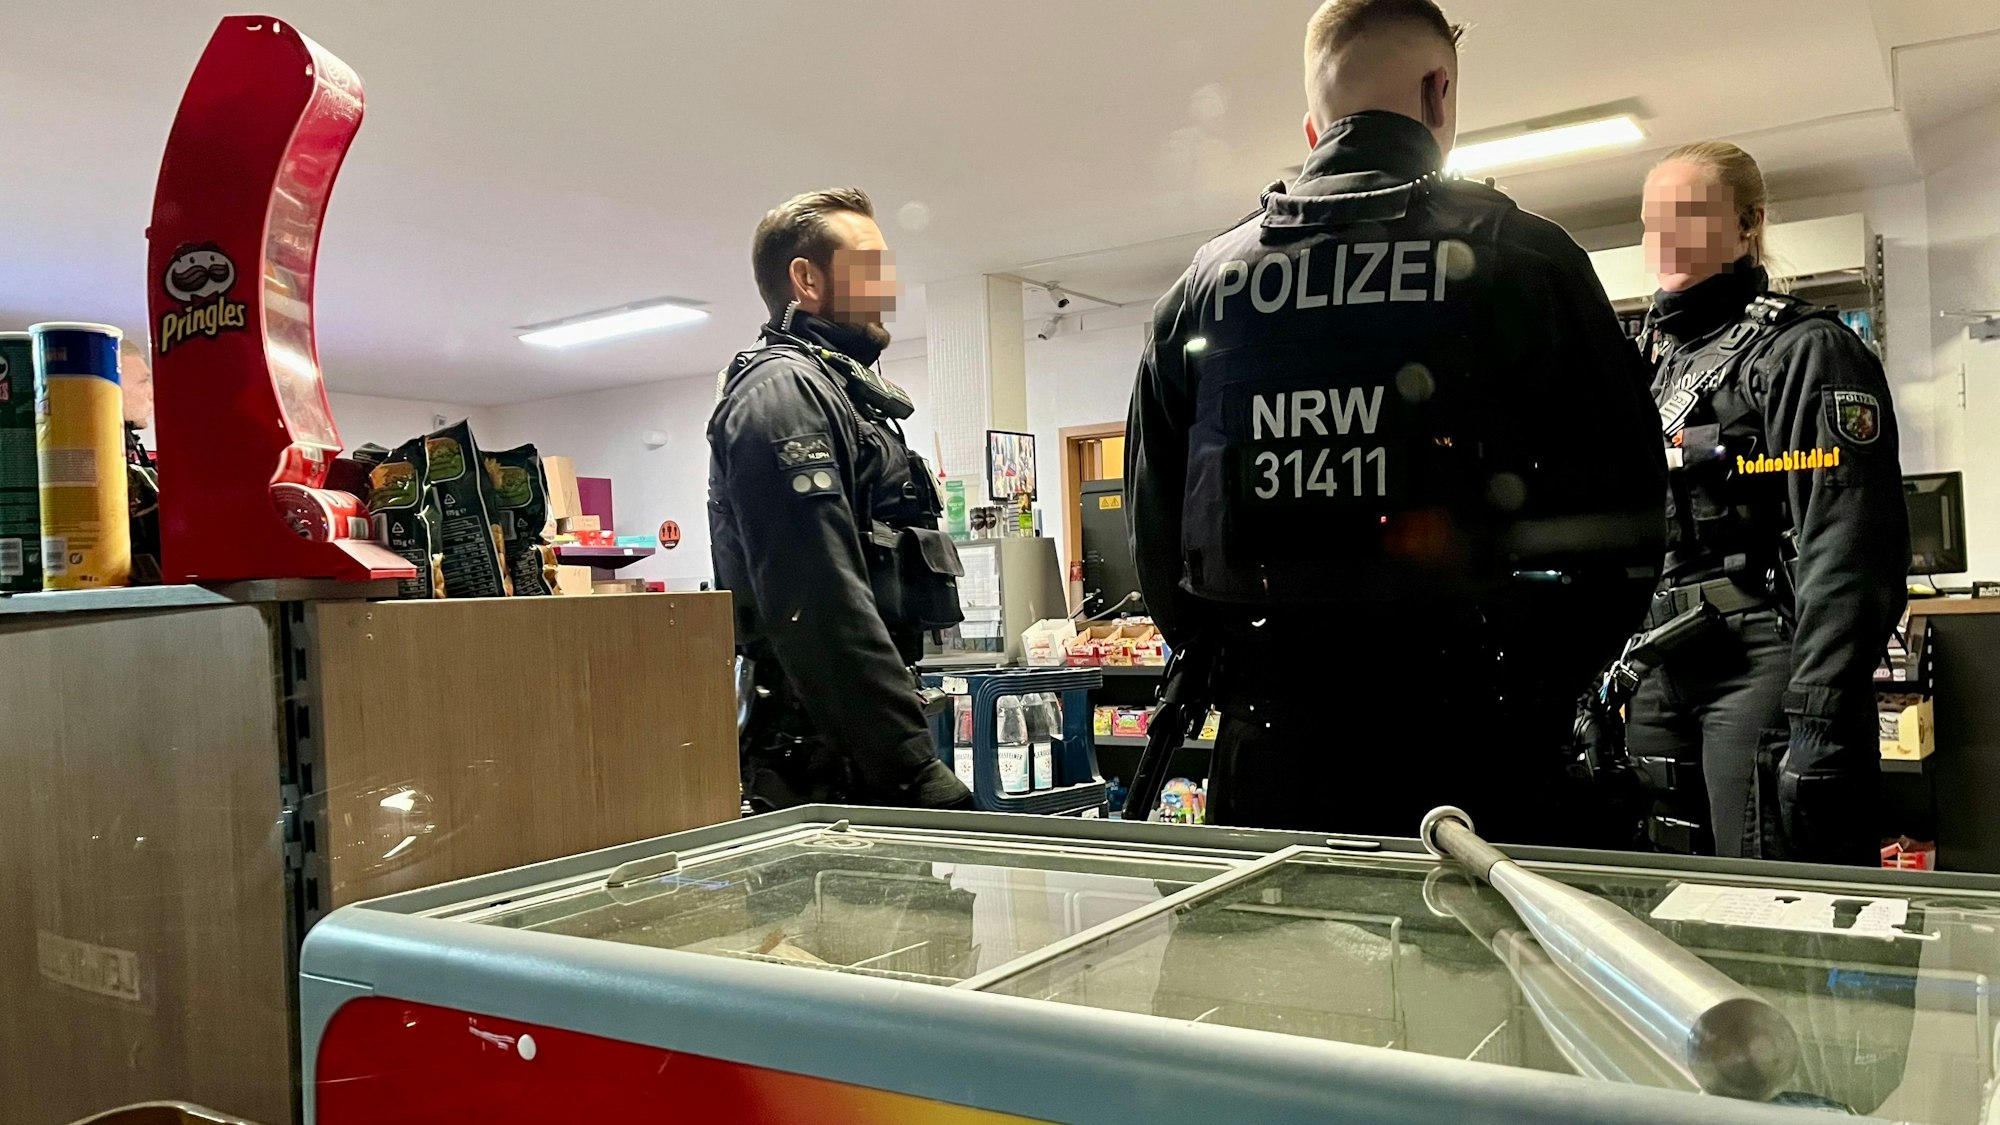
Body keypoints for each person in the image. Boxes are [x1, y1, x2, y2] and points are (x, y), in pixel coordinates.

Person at [1125, 0, 1665, 842]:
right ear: (1439, 93)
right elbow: (1625, 529)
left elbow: (1161, 550)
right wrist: (1530, 689)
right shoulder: (1529, 262)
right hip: (1479, 755)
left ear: (1314, 128)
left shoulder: (1200, 288)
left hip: (1271, 759)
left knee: (1268, 975)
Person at [1625, 142, 1907, 865]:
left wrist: (1820, 716)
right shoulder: (1655, 370)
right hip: (1660, 666)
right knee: (1664, 911)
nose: (1665, 239)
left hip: (1759, 661)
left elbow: (1848, 543)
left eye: (1687, 215)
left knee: (1767, 902)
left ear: (1747, 224)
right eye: (1653, 221)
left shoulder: (1806, 350)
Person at [709, 188, 972, 812]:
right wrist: (912, 769)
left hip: (859, 752)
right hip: (820, 768)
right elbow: (818, 598)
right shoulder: (783, 395)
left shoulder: (843, 393)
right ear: (806, 279)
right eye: (870, 266)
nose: (889, 288)